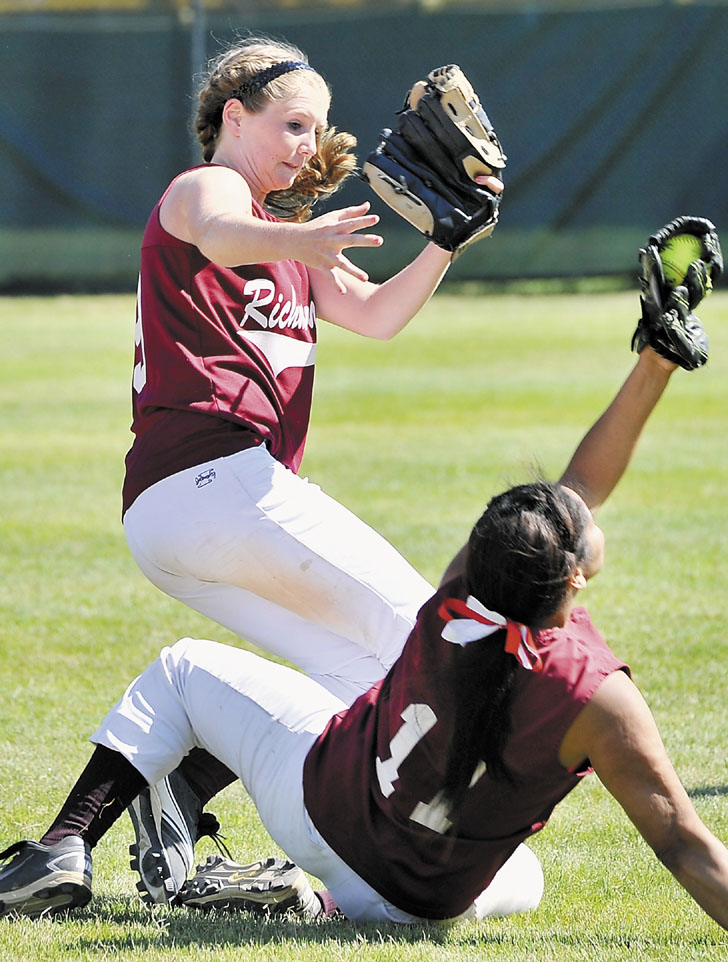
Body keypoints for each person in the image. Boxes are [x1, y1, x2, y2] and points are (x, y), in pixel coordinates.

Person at [0, 326, 728, 944]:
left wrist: (653, 360)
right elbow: (682, 842)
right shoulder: (596, 695)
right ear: (574, 580)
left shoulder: (457, 601)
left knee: (181, 671)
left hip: (320, 818)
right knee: (528, 879)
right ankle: (323, 904)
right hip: (427, 904)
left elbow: (573, 492)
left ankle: (67, 846)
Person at [120, 35, 503, 903]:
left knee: (360, 681)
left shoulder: (289, 238)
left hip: (186, 514)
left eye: (320, 127)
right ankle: (411, 844)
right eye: (293, 122)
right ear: (233, 117)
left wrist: (444, 242)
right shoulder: (211, 188)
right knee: (428, 637)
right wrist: (300, 234)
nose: (308, 142)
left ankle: (182, 793)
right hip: (215, 480)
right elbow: (219, 233)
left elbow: (373, 316)